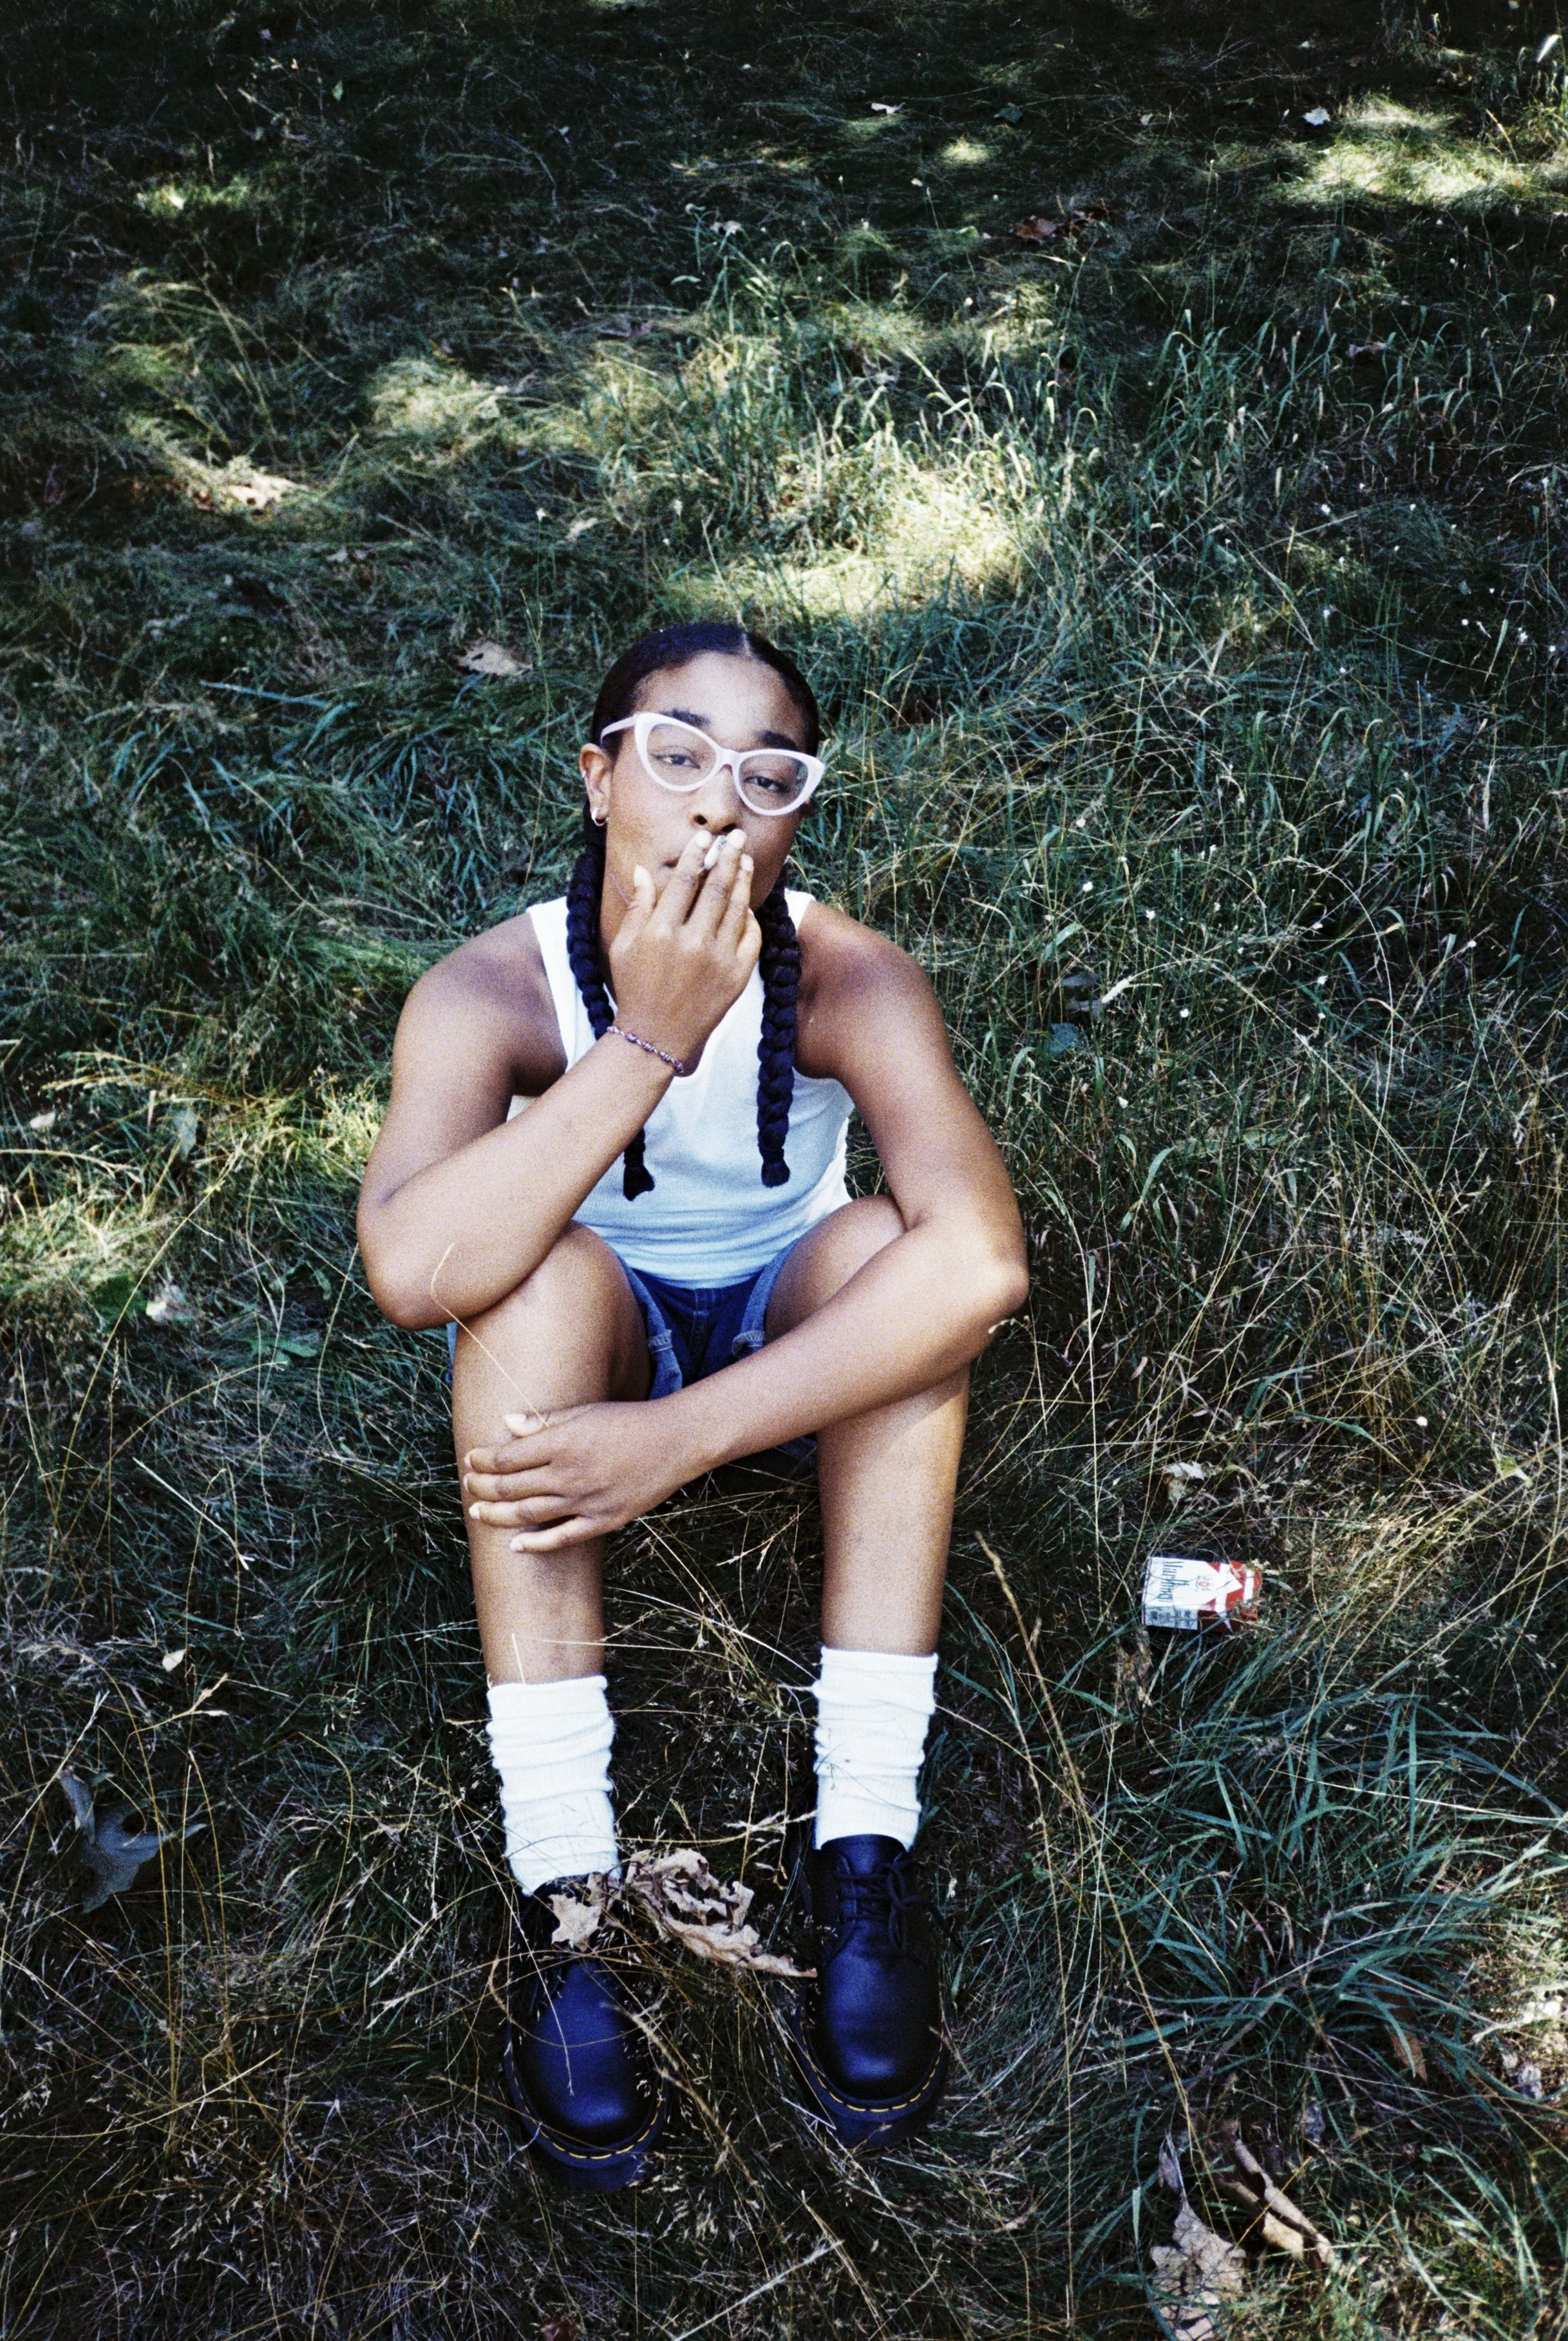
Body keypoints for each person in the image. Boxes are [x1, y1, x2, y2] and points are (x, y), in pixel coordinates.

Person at [357, 621, 1028, 2188]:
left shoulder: (848, 974)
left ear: (796, 814)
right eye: (674, 755)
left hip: (778, 1349)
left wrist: (679, 1439)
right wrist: (646, 1037)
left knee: (883, 1245)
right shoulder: (485, 991)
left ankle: (864, 1841)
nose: (717, 804)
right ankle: (563, 1887)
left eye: (765, 774)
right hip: (588, 1341)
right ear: (595, 778)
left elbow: (983, 1258)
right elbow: (411, 1266)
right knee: (528, 1276)